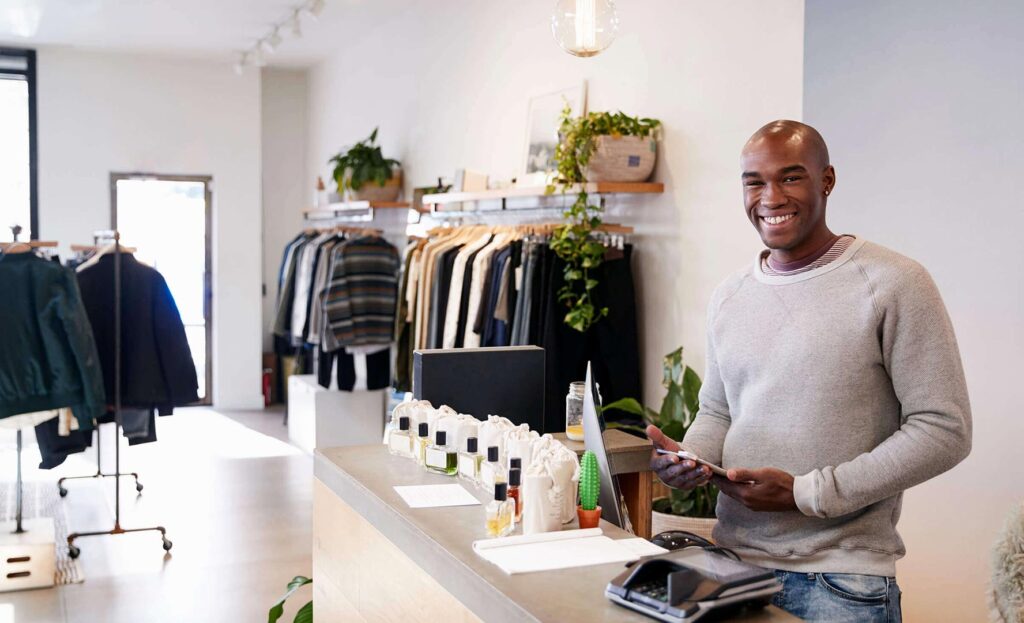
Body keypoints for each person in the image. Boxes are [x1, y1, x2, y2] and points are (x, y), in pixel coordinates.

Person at [647, 120, 972, 622]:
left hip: (841, 583)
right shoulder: (730, 295)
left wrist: (808, 493)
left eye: (791, 178)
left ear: (827, 180)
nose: (770, 196)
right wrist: (691, 460)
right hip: (732, 569)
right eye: (754, 181)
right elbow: (717, 409)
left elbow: (944, 430)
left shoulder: (894, 283)